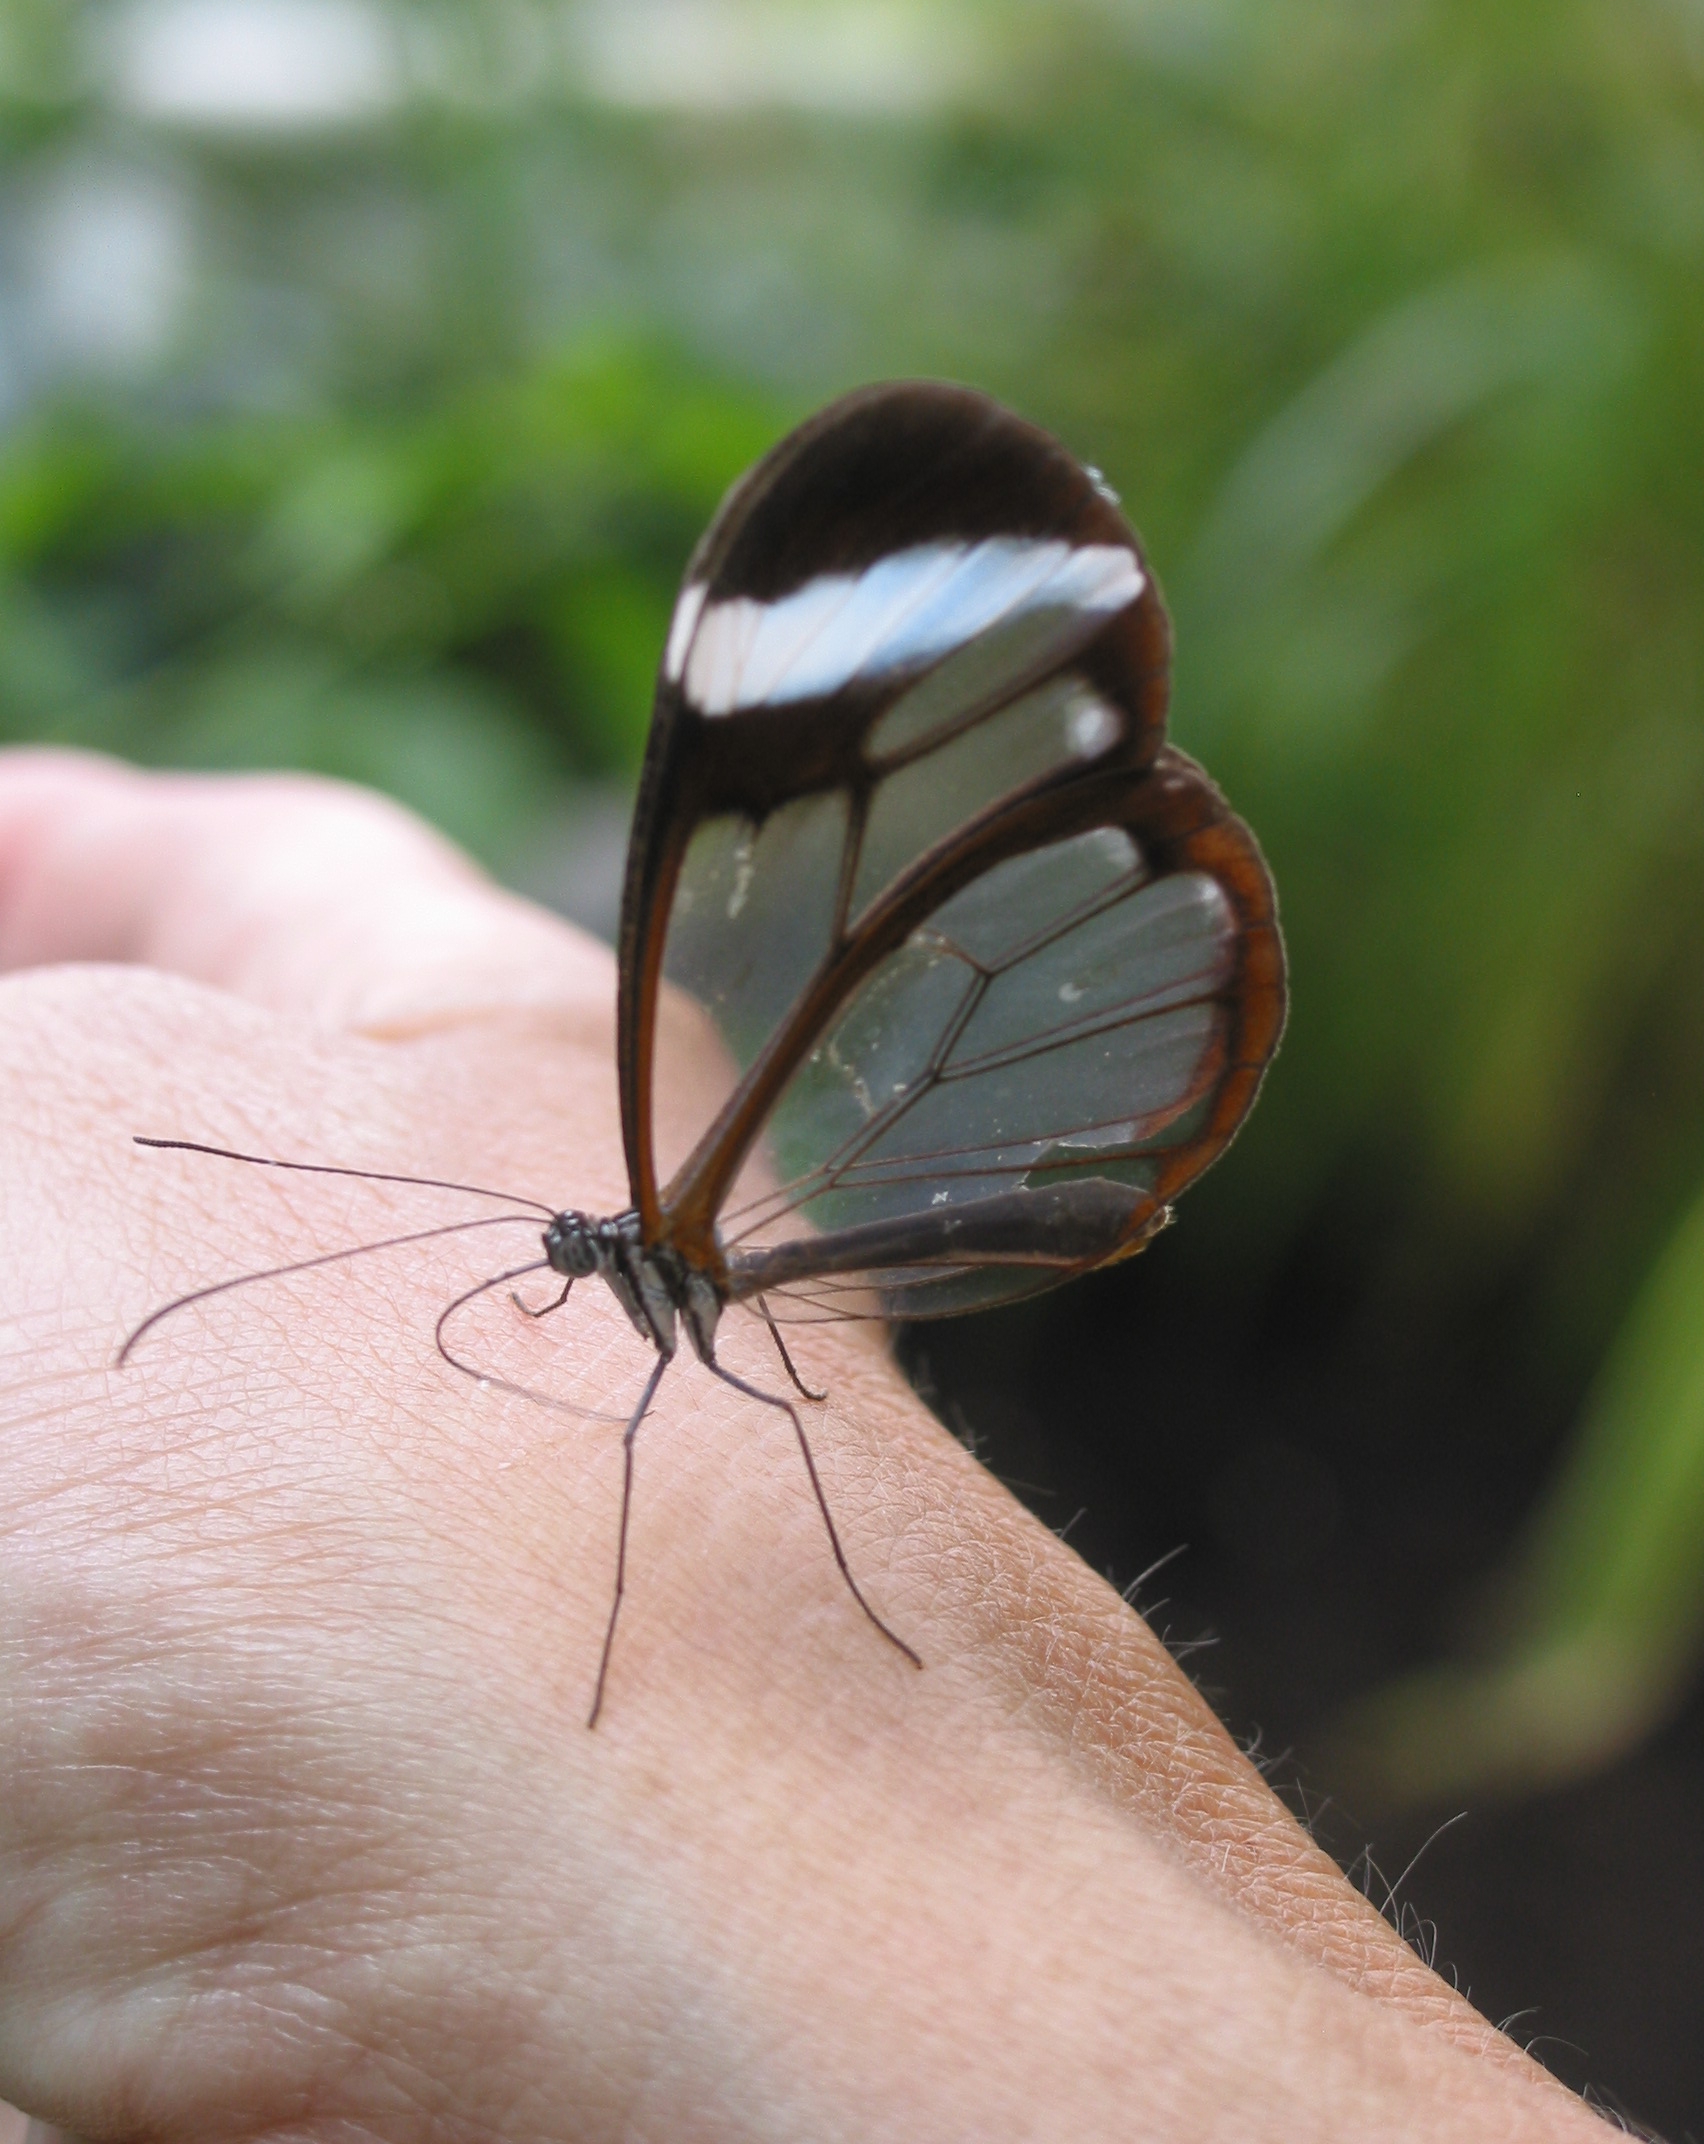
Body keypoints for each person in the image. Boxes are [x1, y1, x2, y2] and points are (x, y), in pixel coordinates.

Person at [0, 749, 1604, 2142]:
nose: (564, 1257)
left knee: (670, 1427)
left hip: (939, 1160)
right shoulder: (635, 1247)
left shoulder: (668, 1229)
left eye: (575, 1245)